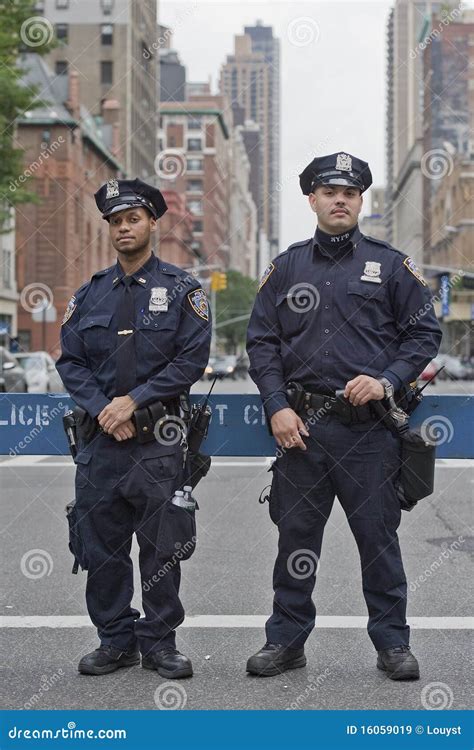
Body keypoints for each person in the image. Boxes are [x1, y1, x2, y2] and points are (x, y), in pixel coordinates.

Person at [245, 152, 442, 680]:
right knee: (296, 543)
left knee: (379, 542)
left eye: (350, 193)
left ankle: (392, 644)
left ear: (360, 201)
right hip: (301, 431)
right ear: (312, 199)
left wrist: (386, 379)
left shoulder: (391, 265)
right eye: (329, 193)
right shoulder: (287, 266)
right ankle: (285, 642)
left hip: (369, 432)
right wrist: (277, 407)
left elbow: (425, 333)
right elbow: (261, 341)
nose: (340, 200)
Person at [56, 178, 211, 678]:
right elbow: (71, 363)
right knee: (101, 548)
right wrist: (106, 409)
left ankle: (160, 644)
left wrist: (133, 401)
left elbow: (191, 360)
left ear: (151, 223)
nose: (124, 228)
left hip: (159, 444)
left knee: (162, 549)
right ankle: (115, 640)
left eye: (133, 219)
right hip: (102, 445)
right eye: (116, 221)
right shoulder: (90, 295)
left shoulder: (183, 290)